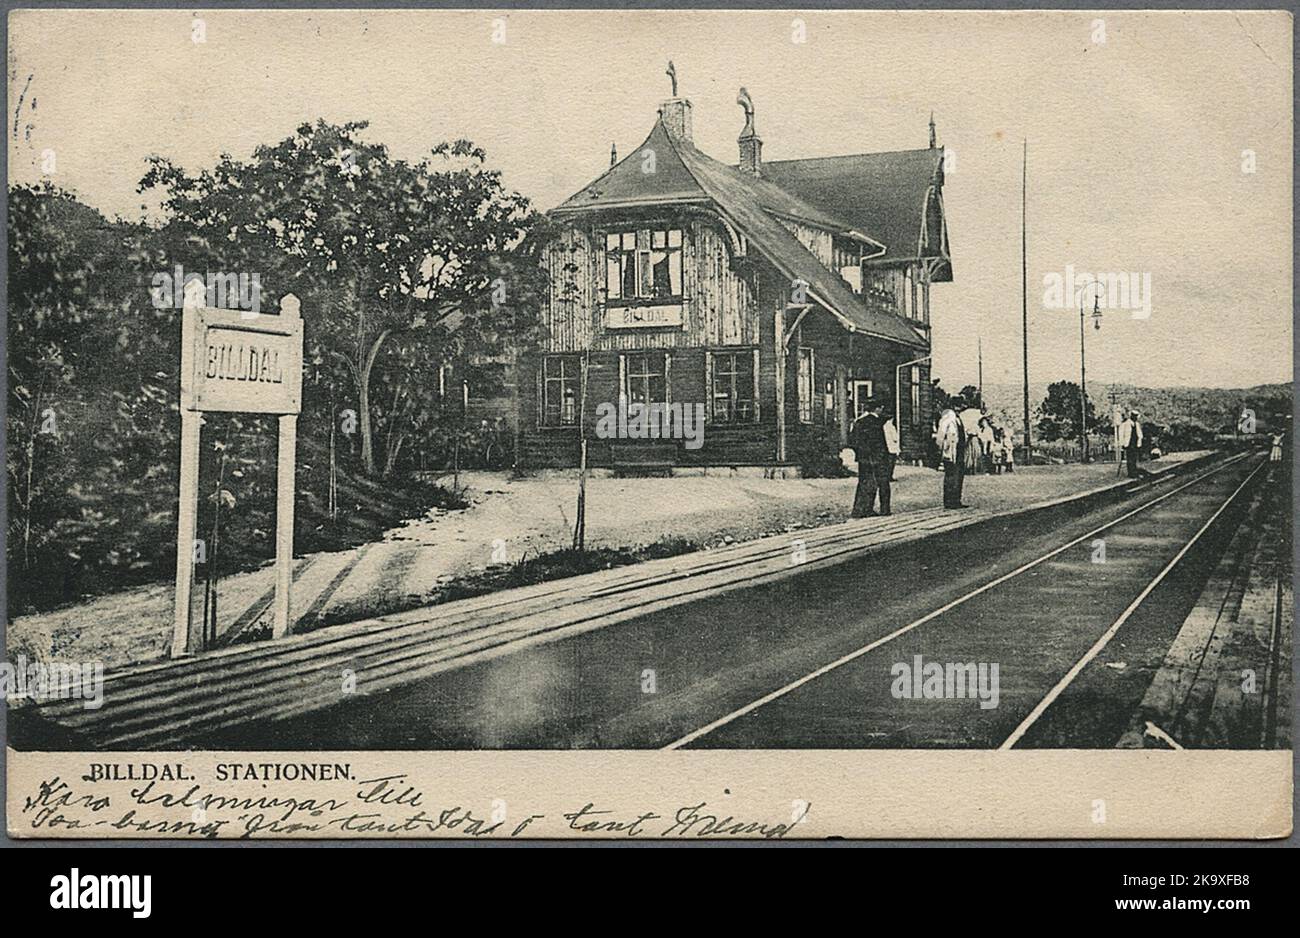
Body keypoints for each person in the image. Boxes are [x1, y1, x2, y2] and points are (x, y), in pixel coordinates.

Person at [850, 399, 891, 517]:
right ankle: (885, 510)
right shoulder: (878, 423)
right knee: (883, 483)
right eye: (881, 407)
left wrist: (860, 453)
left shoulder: (860, 422)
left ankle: (861, 510)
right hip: (878, 458)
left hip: (864, 458)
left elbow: (853, 441)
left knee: (864, 483)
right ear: (877, 408)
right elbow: (881, 443)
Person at [936, 404, 966, 508]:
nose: (959, 409)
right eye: (957, 407)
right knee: (951, 475)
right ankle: (949, 501)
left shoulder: (958, 419)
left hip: (959, 450)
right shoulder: (947, 419)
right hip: (950, 451)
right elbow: (940, 436)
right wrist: (941, 449)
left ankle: (957, 500)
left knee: (958, 476)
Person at [1118, 409, 1144, 478]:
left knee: (1134, 458)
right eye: (1134, 416)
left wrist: (1139, 443)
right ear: (1131, 416)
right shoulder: (1125, 424)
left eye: (1136, 416)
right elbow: (1121, 435)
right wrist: (1122, 444)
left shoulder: (1137, 424)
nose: (1135, 418)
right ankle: (1131, 473)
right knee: (1130, 459)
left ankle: (1134, 472)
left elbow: (1140, 435)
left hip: (1135, 444)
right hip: (1128, 444)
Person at [882, 412, 901, 482]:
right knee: (891, 463)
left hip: (887, 446)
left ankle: (887, 476)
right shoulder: (891, 427)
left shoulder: (884, 426)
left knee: (887, 463)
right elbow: (895, 438)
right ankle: (889, 476)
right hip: (892, 447)